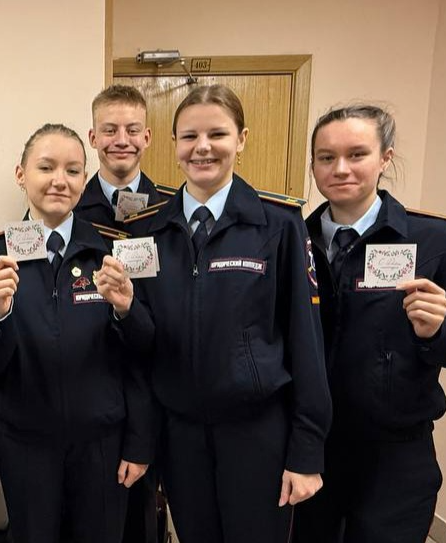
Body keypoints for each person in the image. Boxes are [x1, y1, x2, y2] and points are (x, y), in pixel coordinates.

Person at [121, 84, 332, 543]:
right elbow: (141, 347)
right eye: (189, 136)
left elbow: (306, 339)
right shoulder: (146, 233)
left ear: (241, 139)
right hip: (181, 436)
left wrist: (307, 449)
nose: (203, 147)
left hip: (256, 433)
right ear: (173, 144)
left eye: (217, 134)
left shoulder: (279, 225)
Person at [293, 104, 446, 543]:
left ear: (385, 158)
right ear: (312, 165)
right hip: (312, 450)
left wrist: (438, 331)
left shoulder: (436, 239)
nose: (341, 169)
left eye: (357, 154)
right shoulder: (293, 240)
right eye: (327, 157)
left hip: (395, 457)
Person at [0, 124, 155, 543]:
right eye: (46, 167)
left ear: (83, 180)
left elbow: (142, 353)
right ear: (21, 175)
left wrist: (126, 309)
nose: (60, 180)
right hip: (25, 445)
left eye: (72, 171)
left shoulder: (113, 252)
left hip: (102, 445)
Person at [78, 85, 175, 232]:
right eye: (110, 131)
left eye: (132, 131)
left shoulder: (173, 207)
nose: (122, 141)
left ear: (146, 138)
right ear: (93, 138)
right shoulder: (71, 207)